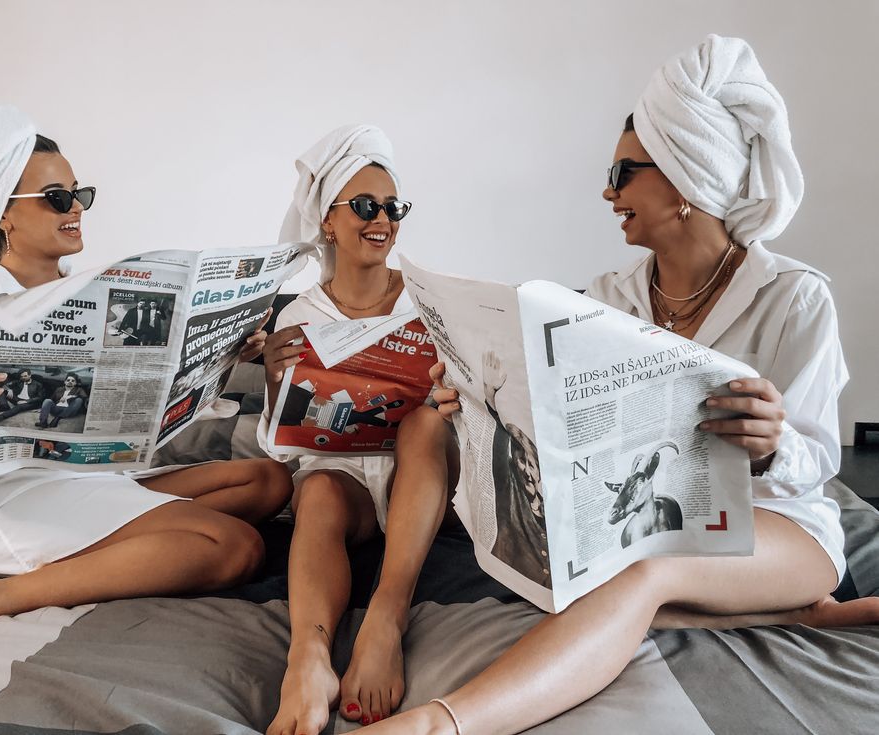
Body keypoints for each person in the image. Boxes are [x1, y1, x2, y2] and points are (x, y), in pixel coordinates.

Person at [365, 35, 879, 735]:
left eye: (625, 171)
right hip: (650, 517)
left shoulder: (794, 297)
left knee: (645, 570)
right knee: (446, 433)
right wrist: (472, 394)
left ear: (683, 180)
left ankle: (439, 724)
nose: (608, 191)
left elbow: (817, 460)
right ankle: (780, 611)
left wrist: (771, 442)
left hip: (776, 524)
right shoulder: (609, 296)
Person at [0, 100, 293, 654]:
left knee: (268, 482)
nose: (76, 209)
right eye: (57, 198)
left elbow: (147, 405)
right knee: (237, 548)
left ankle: (134, 542)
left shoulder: (96, 295)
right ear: (2, 216)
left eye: (80, 194)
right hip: (15, 502)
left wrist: (223, 355)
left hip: (95, 479)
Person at [259, 125, 460, 734]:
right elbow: (278, 444)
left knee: (425, 422)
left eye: (393, 207)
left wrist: (454, 395)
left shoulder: (433, 302)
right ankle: (309, 657)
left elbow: (473, 415)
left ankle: (386, 617)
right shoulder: (297, 315)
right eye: (367, 206)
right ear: (328, 221)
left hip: (418, 476)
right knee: (316, 492)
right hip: (343, 477)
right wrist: (274, 380)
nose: (384, 220)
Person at [481, 351, 550, 587]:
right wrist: (490, 395)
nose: (528, 472)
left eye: (531, 464)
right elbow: (498, 447)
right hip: (510, 582)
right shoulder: (513, 493)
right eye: (521, 462)